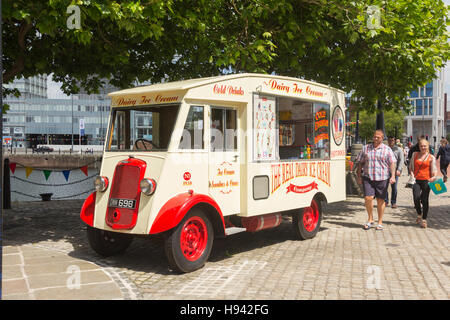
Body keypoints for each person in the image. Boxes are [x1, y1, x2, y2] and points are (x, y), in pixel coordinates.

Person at [356, 130, 396, 230]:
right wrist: (359, 176)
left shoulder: (387, 149)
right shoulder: (366, 148)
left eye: (378, 137)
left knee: (380, 200)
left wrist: (393, 176)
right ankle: (370, 219)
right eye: (374, 136)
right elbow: (360, 162)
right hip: (368, 177)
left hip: (382, 178)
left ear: (382, 138)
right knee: (368, 198)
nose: (376, 138)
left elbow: (392, 163)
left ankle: (380, 221)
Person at [409, 138, 438, 229]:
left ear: (427, 146)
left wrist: (434, 177)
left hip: (427, 180)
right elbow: (410, 167)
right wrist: (412, 174)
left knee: (425, 200)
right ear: (419, 146)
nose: (423, 147)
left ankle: (424, 219)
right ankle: (419, 213)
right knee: (416, 197)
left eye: (425, 146)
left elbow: (435, 170)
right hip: (416, 180)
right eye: (421, 146)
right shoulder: (415, 155)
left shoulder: (431, 157)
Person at [385, 136, 404, 208]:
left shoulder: (398, 150)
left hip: (395, 171)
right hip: (385, 171)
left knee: (394, 187)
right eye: (389, 140)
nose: (391, 142)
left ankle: (393, 202)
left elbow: (401, 160)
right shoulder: (385, 149)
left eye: (392, 140)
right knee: (385, 187)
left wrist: (399, 170)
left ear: (395, 141)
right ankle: (385, 201)